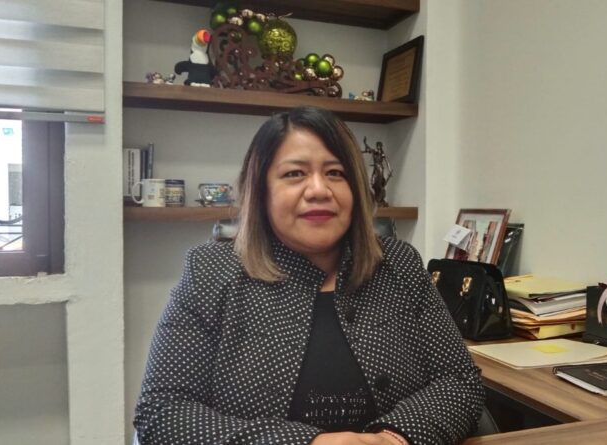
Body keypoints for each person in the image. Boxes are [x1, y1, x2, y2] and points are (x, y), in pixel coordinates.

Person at [133, 106, 484, 445]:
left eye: (335, 173)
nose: (319, 190)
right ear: (262, 190)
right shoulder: (210, 272)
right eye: (294, 174)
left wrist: (394, 438)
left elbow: (459, 381)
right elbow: (163, 413)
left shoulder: (399, 264)